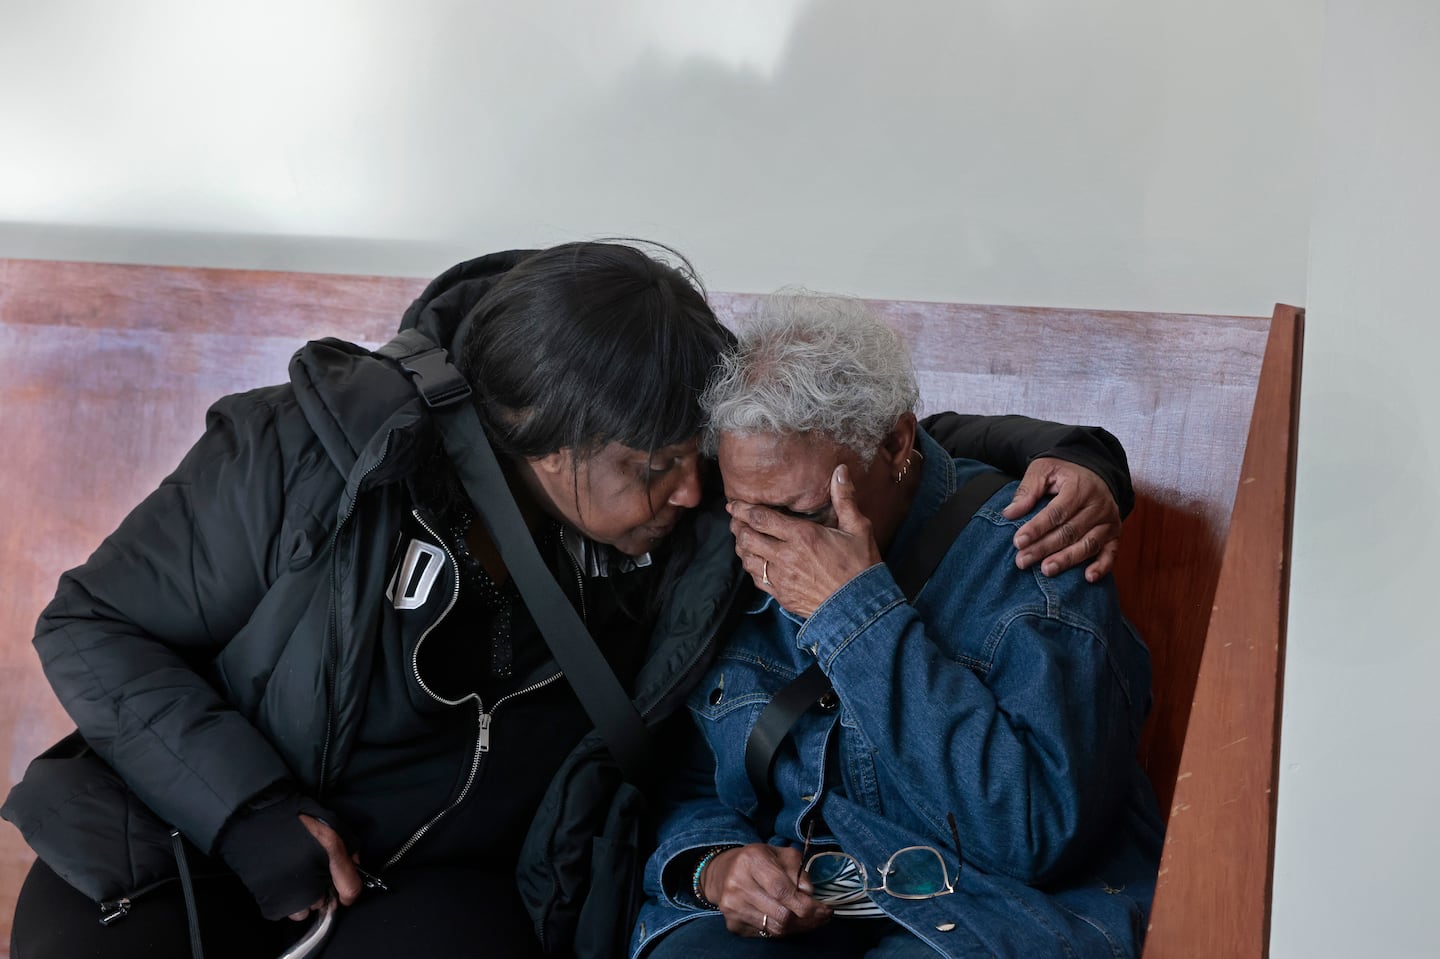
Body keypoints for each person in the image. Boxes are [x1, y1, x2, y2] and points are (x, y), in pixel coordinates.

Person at [4, 242, 1131, 959]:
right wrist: (245, 808)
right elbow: (92, 625)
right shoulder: (304, 454)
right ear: (539, 449)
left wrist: (1077, 457)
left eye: (692, 458)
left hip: (438, 889)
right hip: (180, 845)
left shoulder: (698, 504)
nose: (692, 495)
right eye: (653, 467)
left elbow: (869, 450)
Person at [633, 293, 1165, 958]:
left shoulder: (1036, 551)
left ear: (894, 443)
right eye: (748, 514)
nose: (777, 547)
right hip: (810, 905)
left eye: (807, 514)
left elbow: (1030, 834)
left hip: (990, 909)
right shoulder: (729, 542)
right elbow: (683, 775)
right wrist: (717, 868)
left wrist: (855, 614)